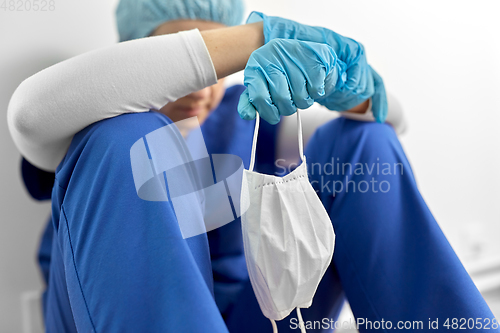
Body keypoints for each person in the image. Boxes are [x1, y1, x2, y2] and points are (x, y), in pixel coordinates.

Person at [8, 0, 497, 332]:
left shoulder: (248, 111)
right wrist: (259, 36)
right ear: (142, 58)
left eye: (215, 64)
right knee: (123, 137)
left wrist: (356, 83)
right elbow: (29, 113)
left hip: (258, 316)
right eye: (189, 58)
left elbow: (394, 122)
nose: (201, 87)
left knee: (362, 139)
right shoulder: (86, 125)